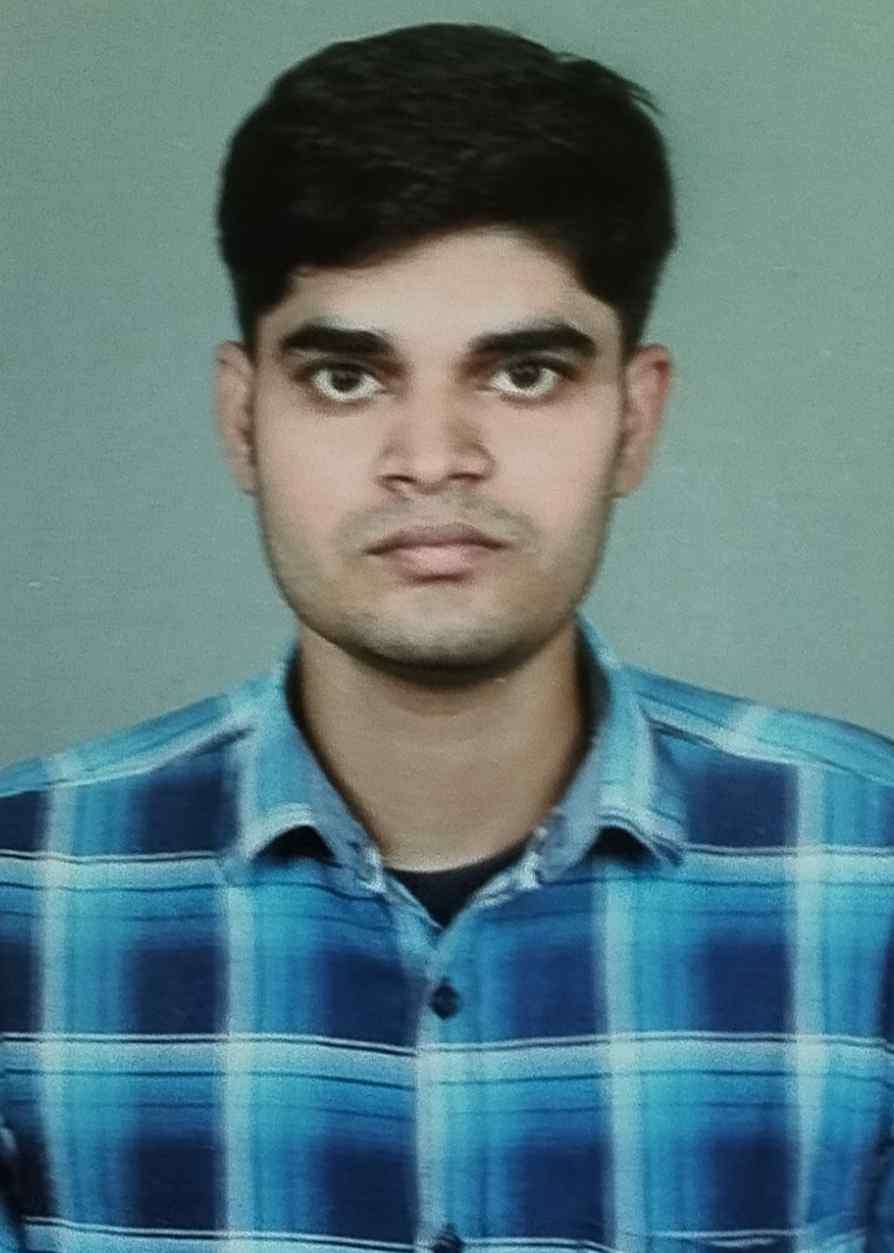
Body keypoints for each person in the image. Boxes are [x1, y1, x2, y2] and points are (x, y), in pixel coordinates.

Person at [1, 20, 892, 1253]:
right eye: (346, 376)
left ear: (635, 419)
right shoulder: (19, 895)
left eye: (523, 373)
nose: (432, 458)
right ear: (242, 418)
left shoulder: (874, 870)